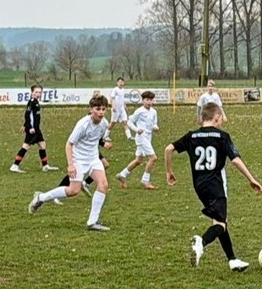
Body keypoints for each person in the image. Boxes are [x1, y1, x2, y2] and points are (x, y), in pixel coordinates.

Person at [165, 102, 262, 272]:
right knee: (221, 224)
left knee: (219, 221)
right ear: (217, 118)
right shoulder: (222, 137)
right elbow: (235, 160)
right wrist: (251, 179)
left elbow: (168, 149)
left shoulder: (191, 136)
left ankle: (232, 260)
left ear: (202, 118)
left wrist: (169, 172)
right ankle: (201, 242)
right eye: (221, 119)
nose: (222, 122)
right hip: (216, 185)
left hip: (199, 186)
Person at [29, 95, 114, 231]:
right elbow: (69, 144)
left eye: (103, 109)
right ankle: (41, 197)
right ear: (91, 109)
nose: (101, 112)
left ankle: (92, 222)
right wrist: (70, 165)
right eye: (98, 109)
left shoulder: (104, 123)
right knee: (73, 191)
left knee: (103, 185)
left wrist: (104, 144)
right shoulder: (83, 124)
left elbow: (95, 139)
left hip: (93, 159)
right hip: (78, 159)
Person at [116, 91, 160, 190]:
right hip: (141, 137)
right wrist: (137, 130)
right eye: (147, 100)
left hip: (148, 137)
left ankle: (122, 175)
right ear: (143, 100)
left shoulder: (154, 112)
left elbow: (154, 123)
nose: (149, 102)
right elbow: (129, 122)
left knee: (138, 160)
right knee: (153, 158)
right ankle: (145, 180)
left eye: (151, 100)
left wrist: (155, 127)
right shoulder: (139, 111)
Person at [10, 84, 58, 173]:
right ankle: (15, 165)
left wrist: (25, 125)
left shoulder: (36, 102)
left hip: (36, 129)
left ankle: (45, 166)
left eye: (39, 92)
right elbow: (27, 115)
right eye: (36, 92)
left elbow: (32, 116)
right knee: (26, 146)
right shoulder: (32, 102)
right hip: (33, 130)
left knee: (42, 145)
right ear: (32, 92)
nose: (38, 94)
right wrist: (29, 127)